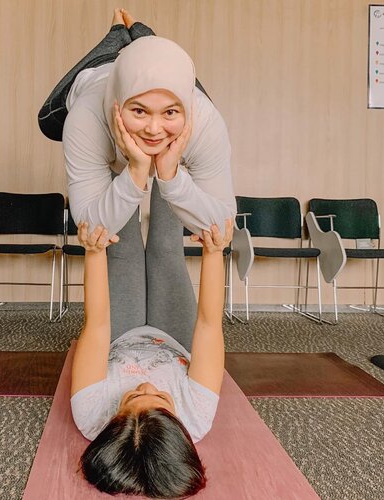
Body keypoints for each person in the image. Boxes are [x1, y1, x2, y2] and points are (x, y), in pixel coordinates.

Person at [71, 183, 232, 498]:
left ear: (111, 422)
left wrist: (93, 250)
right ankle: (171, 155)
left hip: (119, 333)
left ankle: (131, 155)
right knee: (165, 246)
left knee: (122, 244)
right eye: (161, 398)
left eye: (130, 399)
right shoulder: (197, 416)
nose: (145, 387)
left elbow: (98, 326)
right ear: (180, 426)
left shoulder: (91, 415)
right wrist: (215, 252)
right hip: (174, 335)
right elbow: (210, 326)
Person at [38, 8, 236, 242]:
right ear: (119, 107)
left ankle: (145, 38)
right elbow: (90, 230)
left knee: (164, 60)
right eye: (139, 111)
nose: (153, 129)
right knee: (47, 120)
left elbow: (222, 227)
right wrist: (136, 170)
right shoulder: (85, 119)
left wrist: (171, 177)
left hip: (158, 82)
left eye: (170, 112)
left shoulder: (205, 121)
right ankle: (116, 35)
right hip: (99, 73)